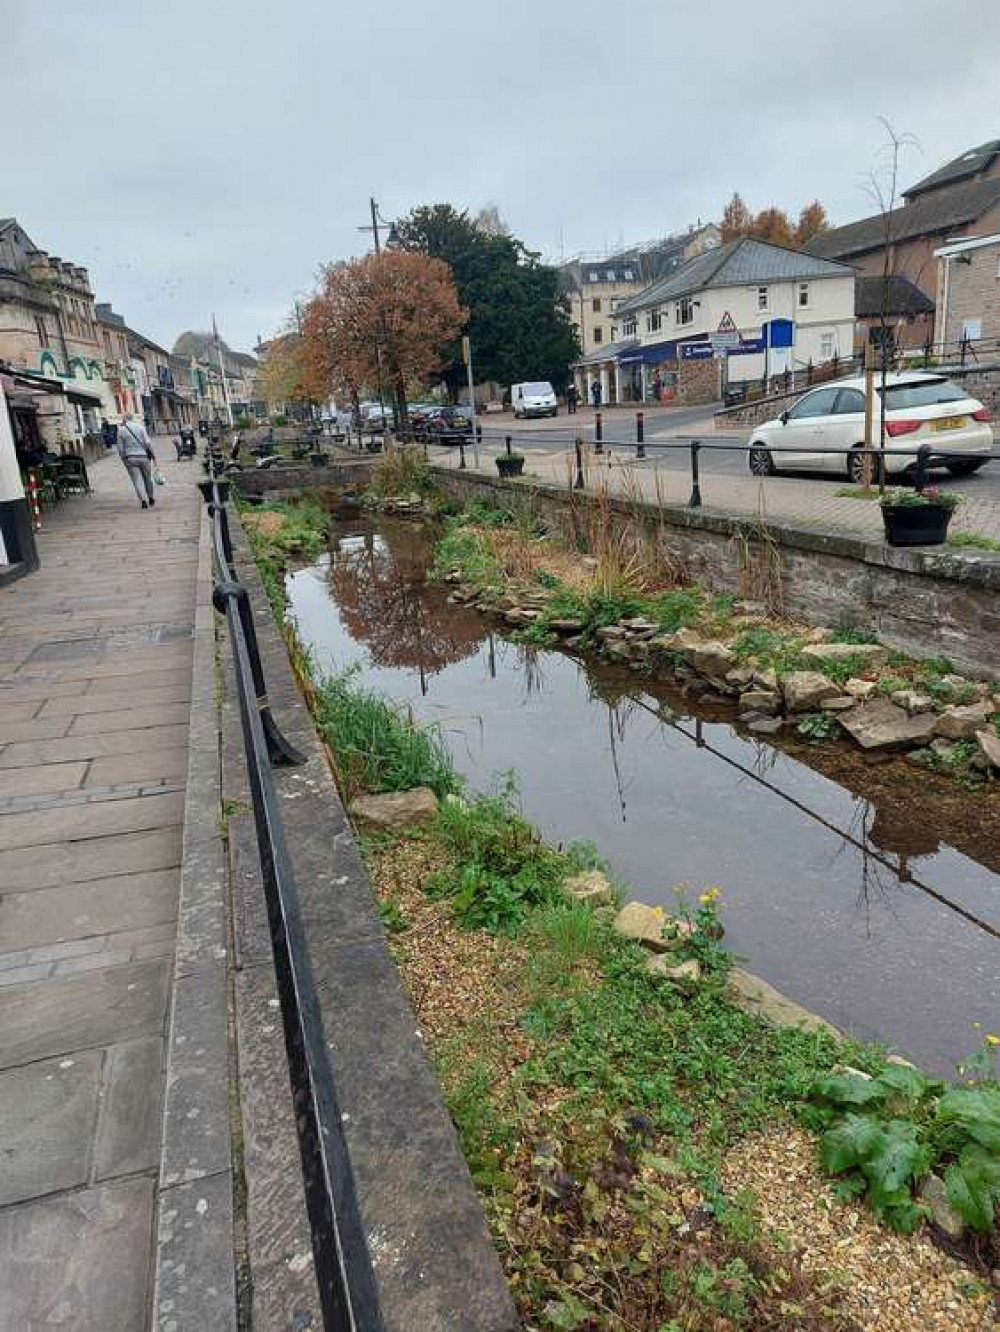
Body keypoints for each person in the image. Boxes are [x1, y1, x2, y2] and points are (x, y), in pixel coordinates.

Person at [116, 413, 157, 509]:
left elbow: (120, 448)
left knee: (137, 480)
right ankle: (150, 497)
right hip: (143, 457)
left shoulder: (121, 430)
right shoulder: (141, 428)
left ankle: (143, 501)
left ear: (125, 419)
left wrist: (123, 459)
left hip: (130, 458)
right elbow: (147, 443)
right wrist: (153, 456)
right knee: (148, 478)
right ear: (132, 418)